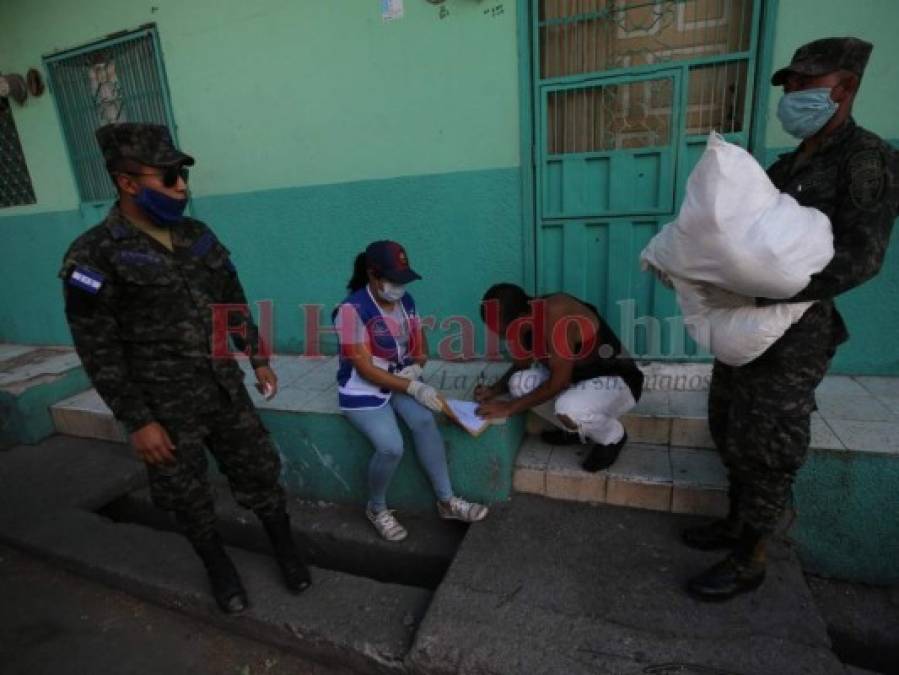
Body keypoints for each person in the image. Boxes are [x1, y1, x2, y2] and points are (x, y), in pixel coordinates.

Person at [59, 123, 310, 614]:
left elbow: (231, 301)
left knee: (259, 470)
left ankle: (287, 551)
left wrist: (256, 356)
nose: (182, 187)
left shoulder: (197, 236)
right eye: (169, 176)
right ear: (127, 182)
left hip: (222, 388)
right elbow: (97, 346)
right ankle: (220, 568)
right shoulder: (92, 255)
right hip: (163, 406)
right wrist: (138, 420)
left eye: (184, 175)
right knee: (187, 494)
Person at [680, 38, 897, 601]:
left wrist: (782, 286)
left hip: (796, 332)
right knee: (729, 423)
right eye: (790, 86)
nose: (793, 94)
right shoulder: (783, 164)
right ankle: (733, 524)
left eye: (805, 83)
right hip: (747, 324)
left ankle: (750, 556)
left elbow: (863, 256)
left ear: (844, 87)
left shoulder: (865, 159)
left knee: (769, 444)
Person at [333, 241, 488, 541]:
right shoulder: (351, 311)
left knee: (424, 421)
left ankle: (446, 501)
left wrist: (417, 367)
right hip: (362, 389)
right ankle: (376, 508)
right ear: (372, 275)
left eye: (403, 279)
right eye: (393, 280)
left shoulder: (407, 302)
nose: (399, 287)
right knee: (391, 447)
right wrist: (414, 387)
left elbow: (420, 342)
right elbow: (365, 369)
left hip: (398, 378)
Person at [474, 283, 644, 472]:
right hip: (577, 379)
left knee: (567, 409)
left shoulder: (557, 313)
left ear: (521, 317)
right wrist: (493, 390)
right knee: (517, 384)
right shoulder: (525, 320)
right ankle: (574, 430)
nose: (503, 338)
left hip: (617, 382)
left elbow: (558, 383)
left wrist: (508, 408)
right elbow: (521, 365)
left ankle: (613, 437)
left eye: (504, 332)